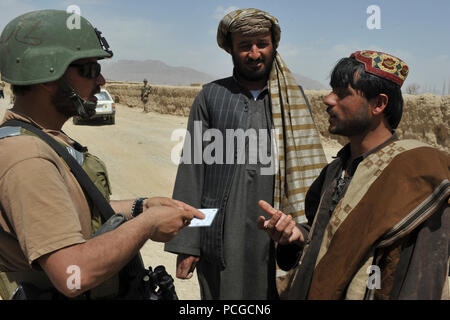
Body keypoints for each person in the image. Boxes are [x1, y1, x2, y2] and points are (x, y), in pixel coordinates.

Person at [0, 9, 204, 300]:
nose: (102, 81)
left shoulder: (42, 137)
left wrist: (140, 207)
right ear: (48, 74)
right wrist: (146, 225)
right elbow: (72, 274)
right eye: (90, 70)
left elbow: (68, 212)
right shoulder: (27, 158)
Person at [258, 50, 450, 300]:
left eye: (342, 93)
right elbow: (324, 240)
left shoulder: (417, 175)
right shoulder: (335, 170)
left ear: (378, 104)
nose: (328, 100)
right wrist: (295, 235)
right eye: (331, 90)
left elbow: (423, 278)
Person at [164, 8, 327, 300]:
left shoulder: (294, 98)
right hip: (221, 235)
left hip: (276, 236)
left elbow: (308, 171)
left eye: (261, 44)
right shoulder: (211, 96)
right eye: (244, 46)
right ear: (230, 49)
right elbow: (193, 171)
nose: (254, 54)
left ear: (274, 45)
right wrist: (188, 244)